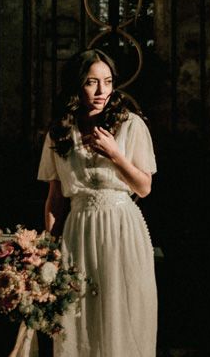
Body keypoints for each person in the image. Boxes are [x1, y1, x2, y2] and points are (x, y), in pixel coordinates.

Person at [37, 48, 158, 356]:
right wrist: (50, 250)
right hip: (78, 232)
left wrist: (115, 154)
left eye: (107, 81)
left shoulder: (130, 124)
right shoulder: (60, 131)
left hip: (121, 229)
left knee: (122, 310)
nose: (102, 90)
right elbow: (54, 199)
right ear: (78, 84)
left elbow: (144, 187)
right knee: (78, 314)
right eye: (92, 82)